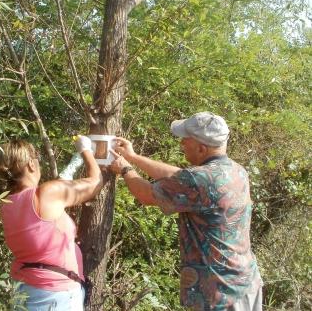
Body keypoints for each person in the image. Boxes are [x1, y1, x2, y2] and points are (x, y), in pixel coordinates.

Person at [109, 112, 263, 311]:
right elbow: (177, 177)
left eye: (186, 139)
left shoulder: (198, 180)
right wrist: (134, 157)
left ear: (202, 147)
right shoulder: (235, 170)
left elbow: (146, 195)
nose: (181, 143)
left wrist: (125, 169)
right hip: (245, 284)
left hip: (219, 295)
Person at [0, 136, 103, 311]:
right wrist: (86, 151)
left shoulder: (7, 203)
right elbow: (95, 183)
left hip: (24, 288)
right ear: (31, 164)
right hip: (54, 295)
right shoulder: (46, 194)